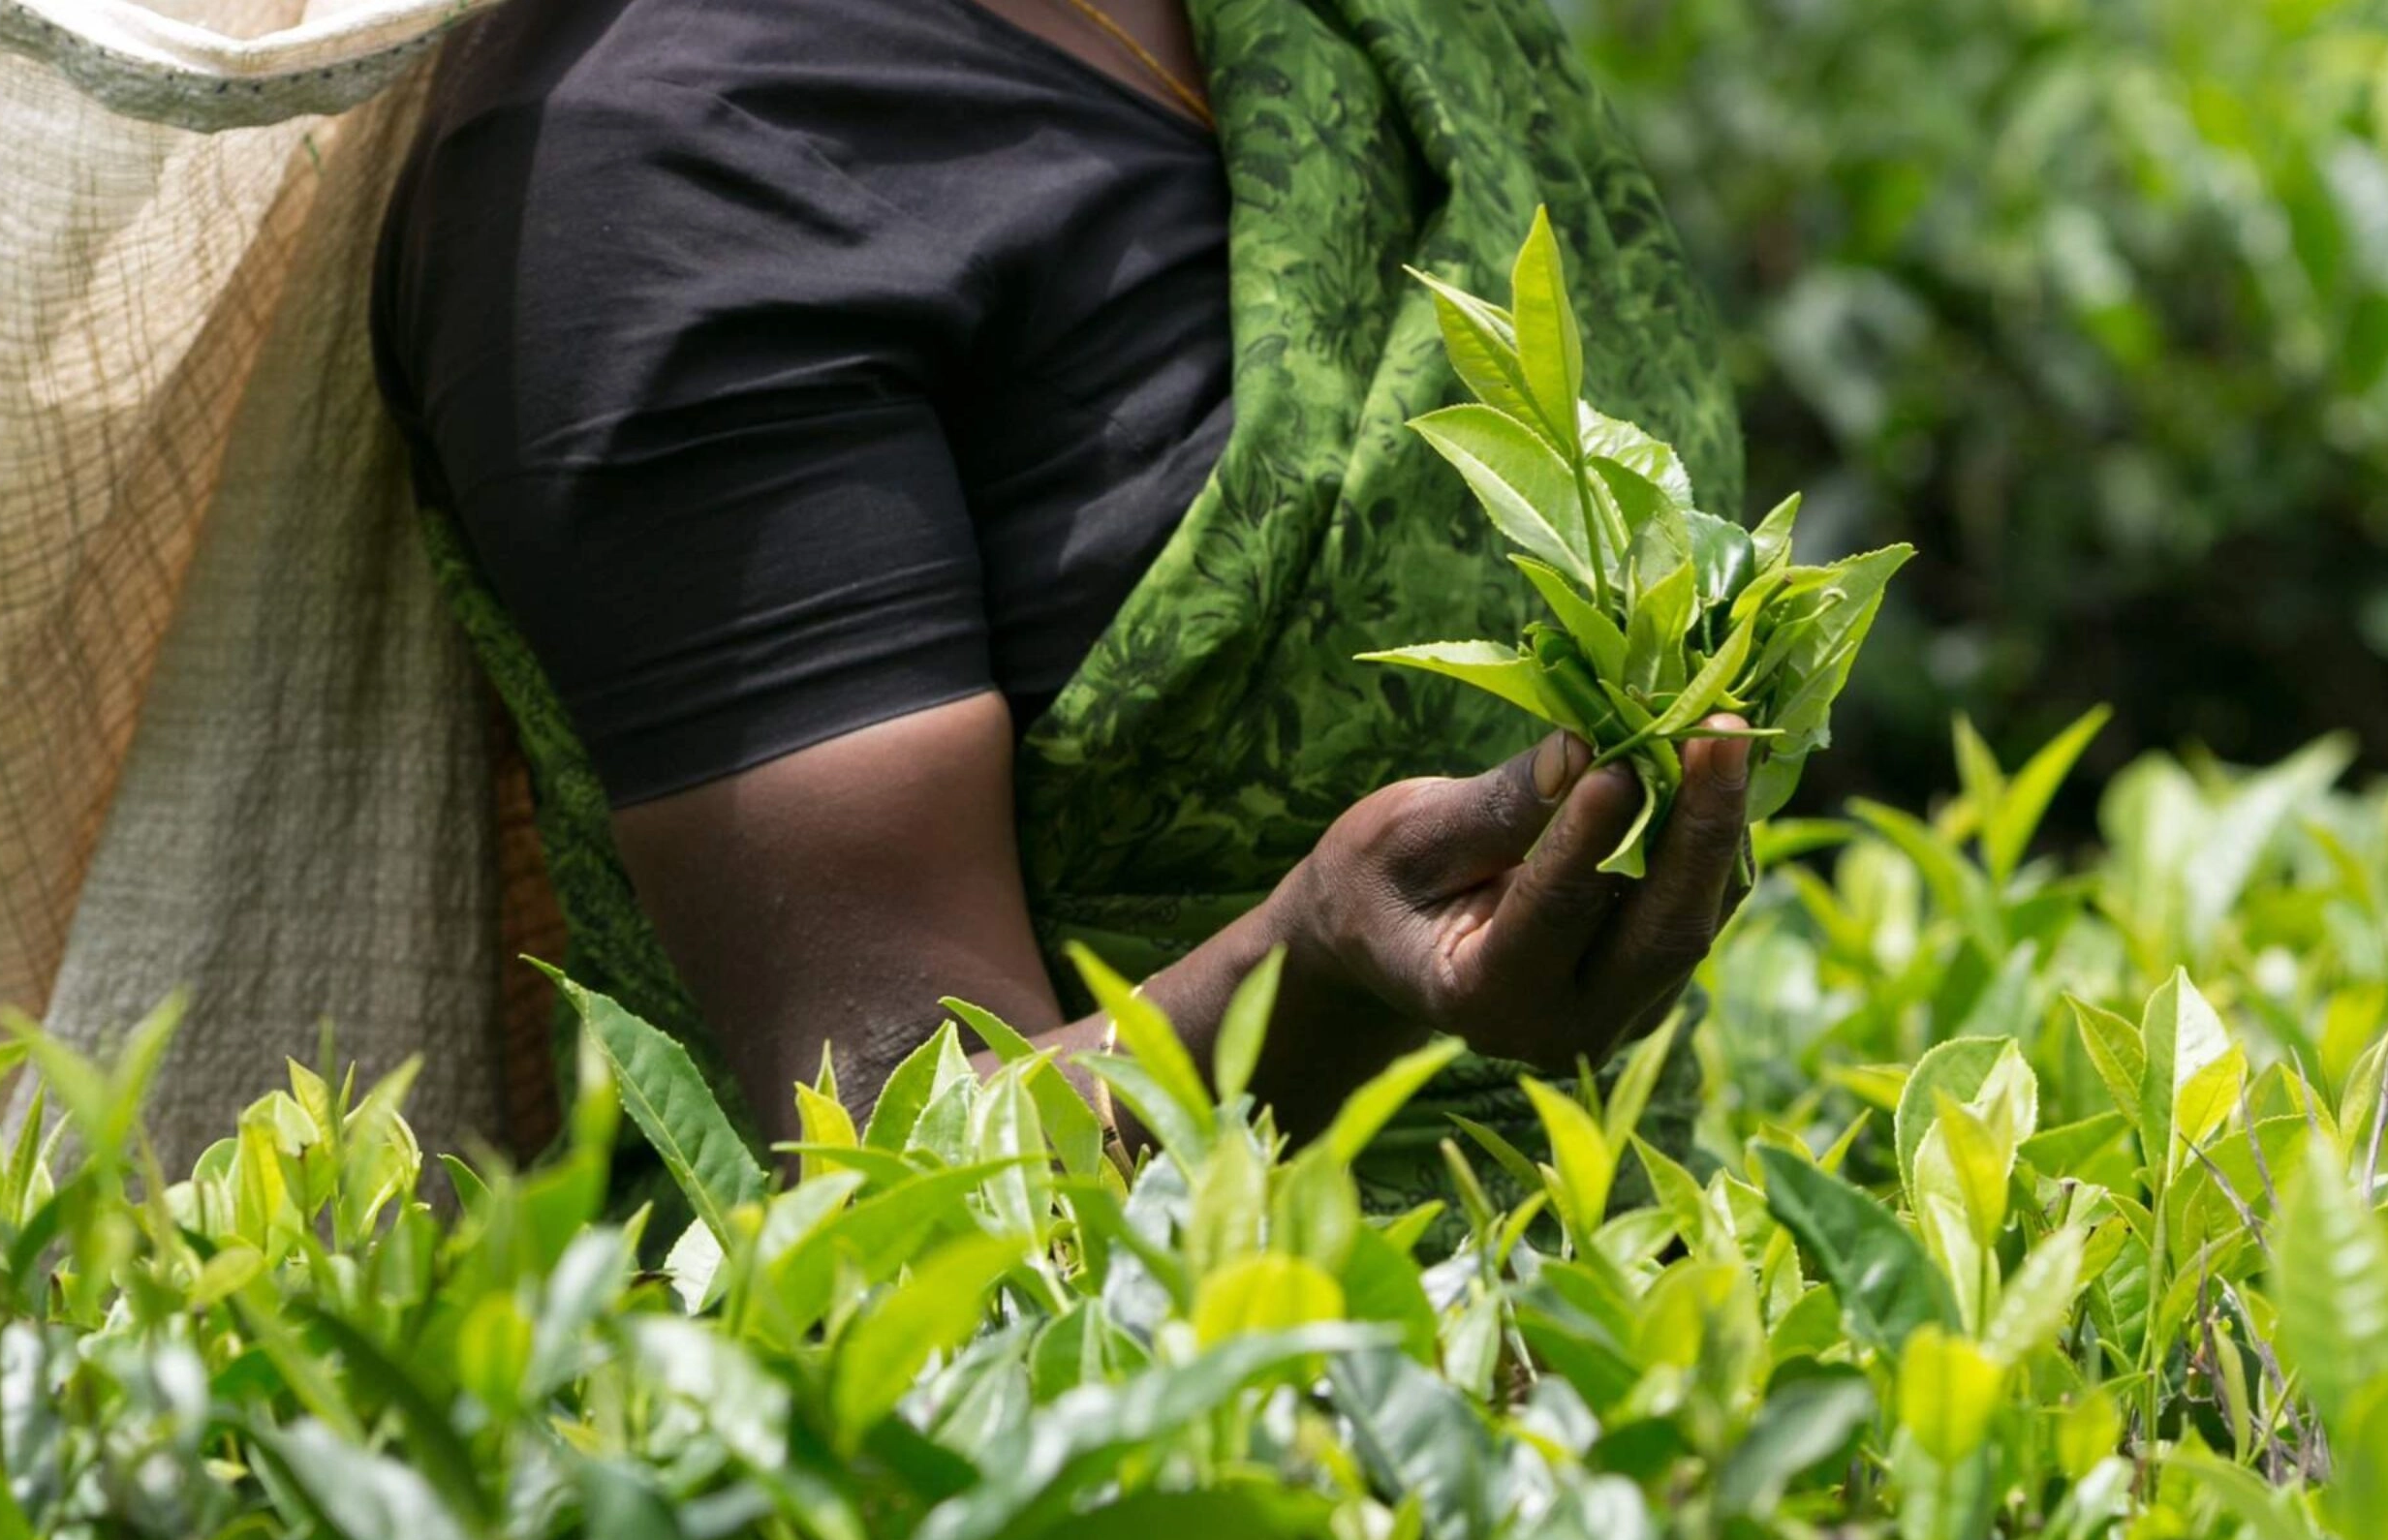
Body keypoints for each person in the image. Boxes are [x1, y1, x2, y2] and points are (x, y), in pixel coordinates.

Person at [371, 0, 1753, 1180]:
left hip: (1632, 1370)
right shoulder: (665, 169)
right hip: (1118, 1438)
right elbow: (909, 1168)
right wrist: (1315, 973)